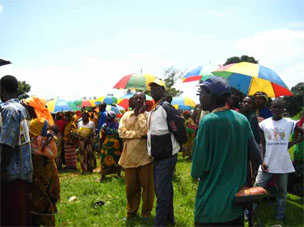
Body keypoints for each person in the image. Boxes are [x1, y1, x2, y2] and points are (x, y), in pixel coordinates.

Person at [191, 77, 262, 226]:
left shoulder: (208, 121)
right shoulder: (242, 119)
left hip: (212, 206)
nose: (199, 97)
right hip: (236, 204)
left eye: (201, 92)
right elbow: (256, 156)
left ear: (210, 95)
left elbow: (197, 169)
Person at [254, 99, 304, 221]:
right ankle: (249, 211)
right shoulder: (264, 124)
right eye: (274, 107)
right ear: (270, 109)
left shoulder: (289, 123)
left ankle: (280, 215)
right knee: (257, 188)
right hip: (267, 163)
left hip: (283, 163)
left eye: (279, 107)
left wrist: (292, 143)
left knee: (282, 191)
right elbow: (262, 144)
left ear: (283, 109)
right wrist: (262, 160)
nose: (277, 109)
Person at [147, 79, 181, 226]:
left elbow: (177, 127)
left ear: (163, 90)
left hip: (167, 155)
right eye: (151, 88)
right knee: (165, 188)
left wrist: (180, 143)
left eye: (156, 88)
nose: (153, 91)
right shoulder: (154, 109)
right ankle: (169, 220)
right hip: (158, 155)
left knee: (161, 191)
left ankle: (159, 223)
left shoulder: (166, 107)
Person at [0, 75, 33, 226]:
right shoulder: (22, 109)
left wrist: (1, 168)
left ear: (2, 89)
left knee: (11, 218)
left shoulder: (8, 110)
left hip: (11, 174)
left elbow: (7, 144)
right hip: (24, 171)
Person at [22, 97, 60, 226]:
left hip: (37, 164)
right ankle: (47, 220)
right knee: (46, 192)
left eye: (27, 106)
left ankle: (39, 220)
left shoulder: (33, 123)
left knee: (38, 194)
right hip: (46, 164)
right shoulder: (44, 122)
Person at [118, 93, 154, 220]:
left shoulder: (148, 116)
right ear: (132, 101)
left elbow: (146, 132)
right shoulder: (126, 115)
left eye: (141, 98)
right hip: (129, 158)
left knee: (148, 188)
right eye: (136, 98)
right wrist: (138, 135)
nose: (138, 100)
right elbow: (121, 133)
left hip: (145, 158)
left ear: (145, 101)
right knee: (131, 188)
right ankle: (132, 211)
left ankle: (146, 213)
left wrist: (140, 116)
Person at [99, 111, 122, 181]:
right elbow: (120, 137)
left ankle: (103, 176)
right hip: (116, 146)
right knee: (117, 160)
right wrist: (121, 146)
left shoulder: (104, 126)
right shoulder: (118, 126)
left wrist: (99, 146)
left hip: (106, 147)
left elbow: (101, 138)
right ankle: (118, 174)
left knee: (104, 160)